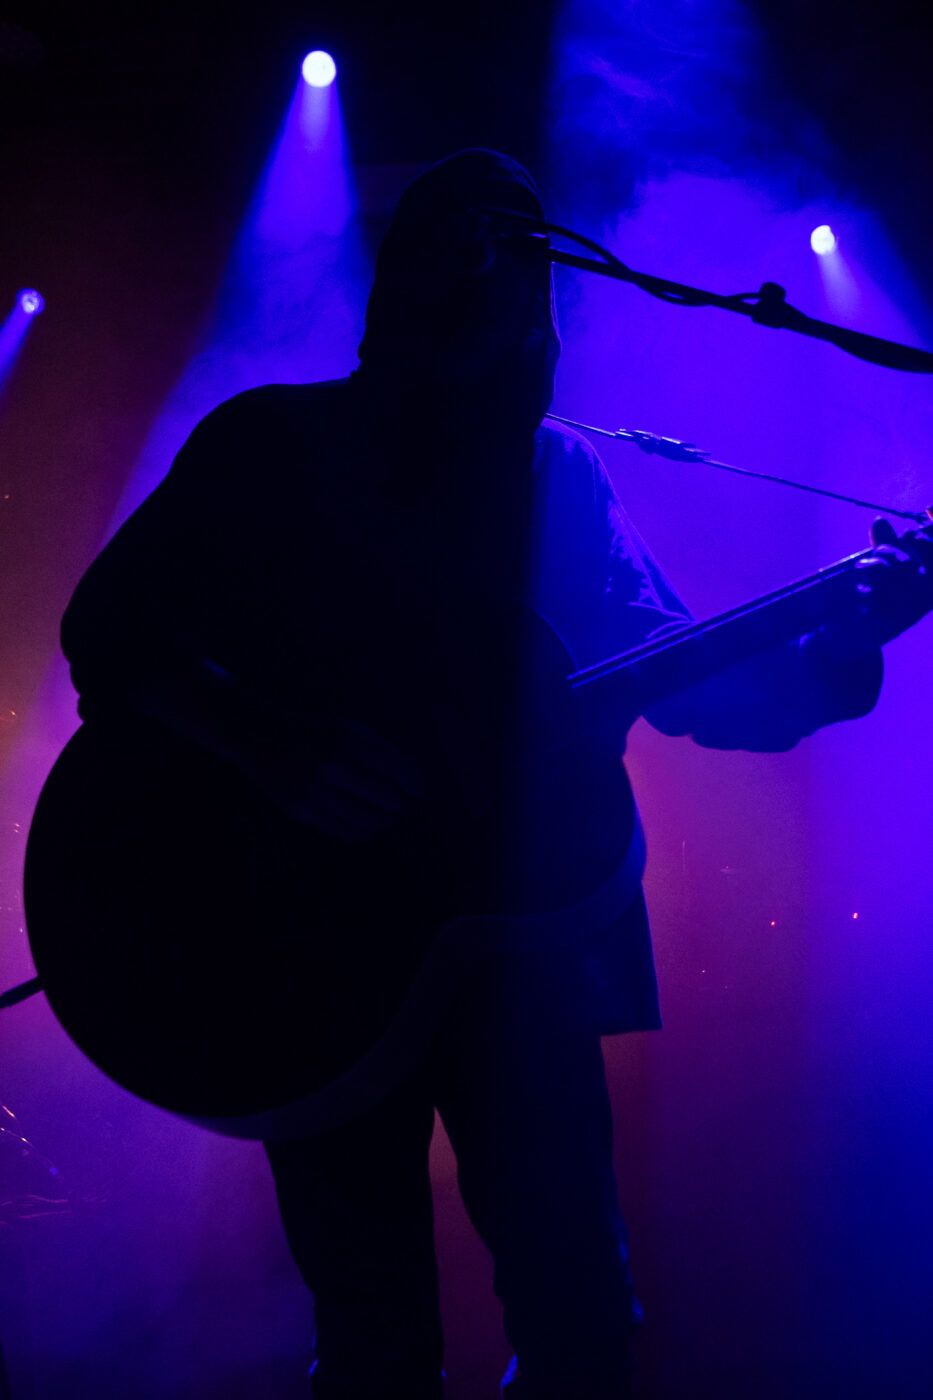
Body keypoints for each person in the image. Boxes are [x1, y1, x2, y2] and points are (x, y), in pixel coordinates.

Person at [59, 150, 931, 1399]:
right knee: (376, 1340)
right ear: (412, 286)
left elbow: (693, 686)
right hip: (295, 956)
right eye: (475, 267)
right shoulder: (273, 444)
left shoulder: (558, 477)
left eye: (528, 283)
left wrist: (851, 634)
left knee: (582, 1319)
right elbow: (109, 625)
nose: (515, 316)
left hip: (513, 951)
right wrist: (265, 743)